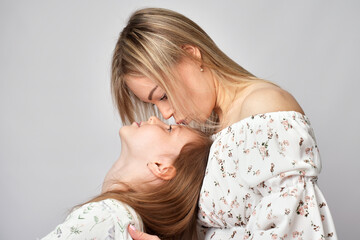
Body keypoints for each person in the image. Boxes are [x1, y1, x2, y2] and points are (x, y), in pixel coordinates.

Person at [112, 7, 338, 240]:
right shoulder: (216, 129)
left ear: (191, 55)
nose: (165, 113)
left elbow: (299, 233)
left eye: (163, 95)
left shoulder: (265, 108)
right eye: (154, 105)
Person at [41, 116, 213, 240]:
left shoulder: (105, 216)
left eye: (169, 129)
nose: (154, 118)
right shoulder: (127, 221)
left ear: (160, 166)